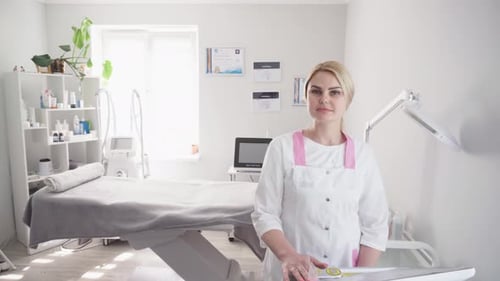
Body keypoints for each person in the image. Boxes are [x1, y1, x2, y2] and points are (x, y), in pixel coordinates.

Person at [251, 60, 389, 281]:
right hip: (287, 273)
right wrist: (289, 256)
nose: (324, 98)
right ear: (306, 97)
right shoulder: (282, 147)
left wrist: (360, 276)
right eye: (316, 91)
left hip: (343, 270)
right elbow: (265, 214)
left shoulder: (363, 155)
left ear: (348, 99)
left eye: (335, 92)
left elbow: (376, 226)